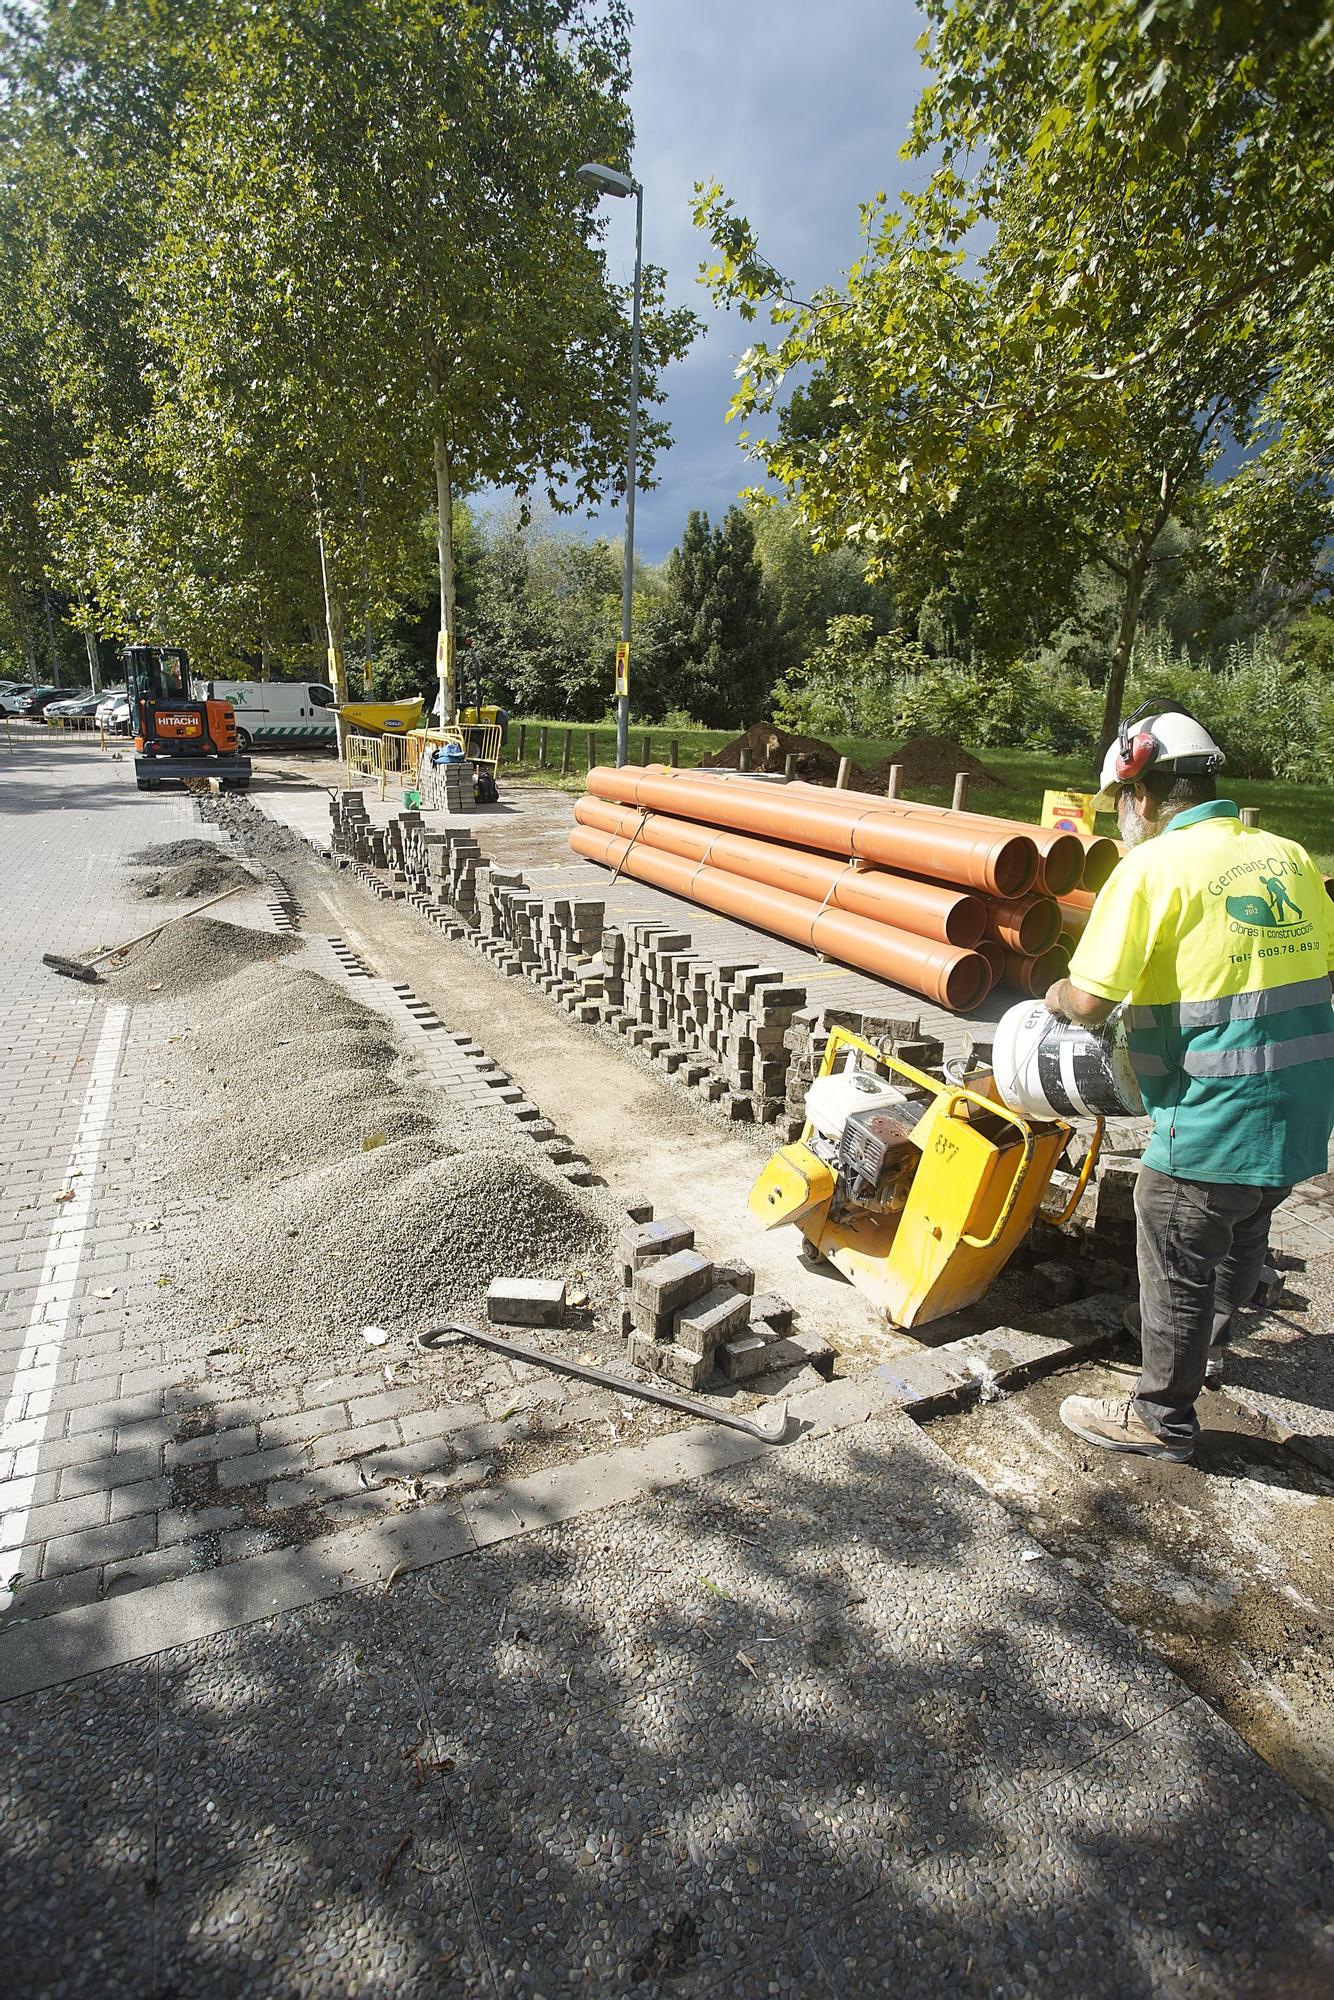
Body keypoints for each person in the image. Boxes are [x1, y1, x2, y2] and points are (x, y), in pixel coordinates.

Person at [1044, 704, 1334, 1464]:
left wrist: (1055, 997)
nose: (1124, 818)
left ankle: (1160, 1417)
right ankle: (1207, 1334)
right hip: (1301, 1109)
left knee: (1172, 1231)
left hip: (1216, 1110)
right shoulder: (1288, 856)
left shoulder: (1151, 869)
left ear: (1142, 793)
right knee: (1243, 1225)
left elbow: (1091, 998)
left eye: (1122, 805)